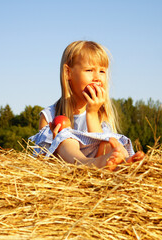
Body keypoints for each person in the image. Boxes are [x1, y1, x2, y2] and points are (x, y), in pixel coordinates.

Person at [29, 40, 144, 170]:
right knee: (65, 138)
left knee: (110, 141)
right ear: (68, 73)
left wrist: (92, 113)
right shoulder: (50, 115)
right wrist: (55, 144)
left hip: (100, 161)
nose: (97, 78)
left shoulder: (101, 114)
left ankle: (125, 164)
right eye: (89, 70)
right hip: (77, 167)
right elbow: (40, 161)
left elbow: (100, 143)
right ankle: (88, 164)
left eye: (102, 71)